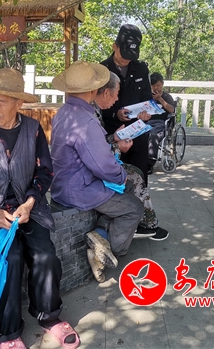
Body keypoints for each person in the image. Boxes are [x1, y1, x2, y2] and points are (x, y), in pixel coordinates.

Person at [0, 68, 79, 349]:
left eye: (1, 102)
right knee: (10, 257)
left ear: (18, 103)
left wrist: (29, 202)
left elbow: (45, 172)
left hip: (29, 207)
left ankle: (49, 317)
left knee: (45, 253)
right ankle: (9, 332)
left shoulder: (33, 129)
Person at [50, 61, 144, 283]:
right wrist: (120, 176)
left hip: (64, 183)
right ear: (93, 90)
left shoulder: (64, 112)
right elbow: (103, 166)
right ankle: (108, 249)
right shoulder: (85, 121)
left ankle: (99, 236)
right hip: (80, 189)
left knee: (127, 189)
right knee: (134, 208)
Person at [93, 71, 169, 241]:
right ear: (106, 92)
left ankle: (141, 223)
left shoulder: (91, 110)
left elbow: (96, 144)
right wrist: (117, 146)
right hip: (88, 174)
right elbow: (93, 152)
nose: (116, 100)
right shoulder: (89, 115)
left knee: (135, 173)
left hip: (94, 165)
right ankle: (144, 224)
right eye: (116, 94)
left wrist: (114, 138)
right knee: (133, 177)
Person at [100, 24, 153, 184]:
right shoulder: (102, 70)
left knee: (139, 180)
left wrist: (147, 113)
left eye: (131, 56)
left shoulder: (141, 69)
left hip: (138, 132)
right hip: (112, 133)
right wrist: (115, 113)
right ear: (114, 46)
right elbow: (97, 103)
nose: (126, 60)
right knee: (113, 181)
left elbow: (147, 98)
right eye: (124, 54)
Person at [147, 72, 176, 171]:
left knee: (153, 135)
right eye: (153, 85)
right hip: (147, 121)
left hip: (161, 122)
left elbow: (172, 110)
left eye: (158, 85)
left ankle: (150, 162)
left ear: (162, 84)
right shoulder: (146, 95)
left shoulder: (167, 96)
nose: (156, 88)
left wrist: (160, 99)